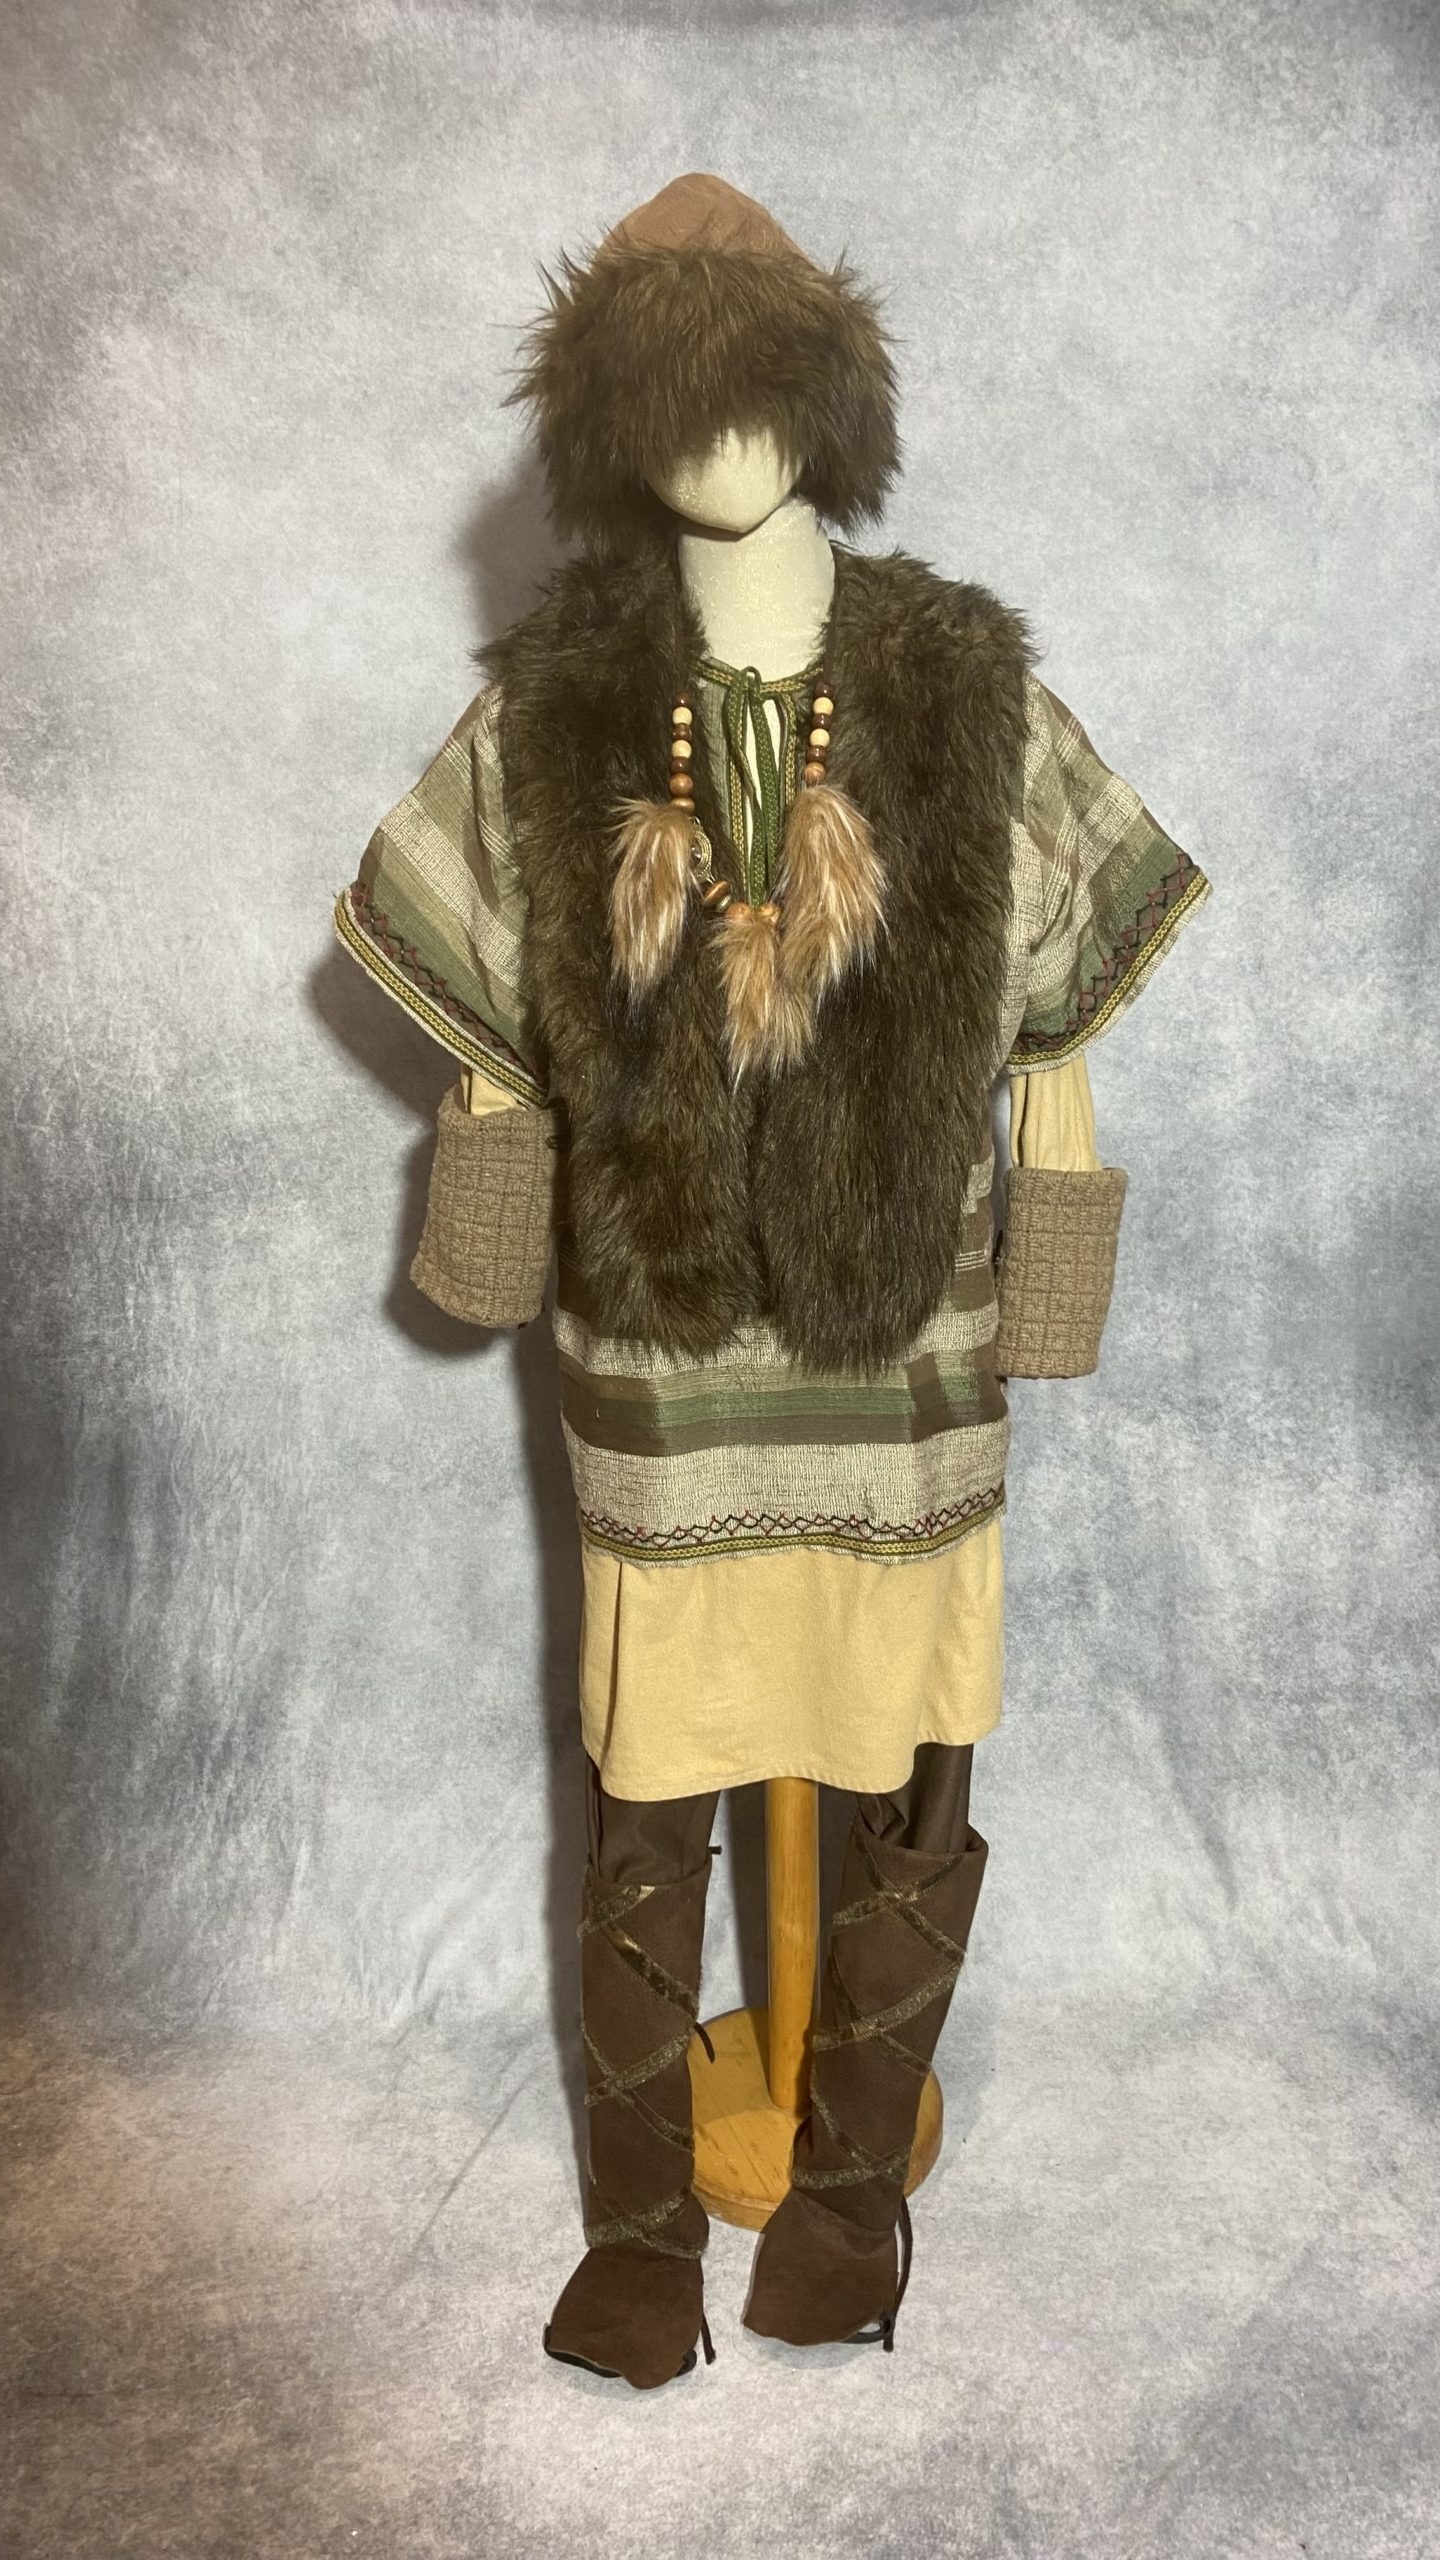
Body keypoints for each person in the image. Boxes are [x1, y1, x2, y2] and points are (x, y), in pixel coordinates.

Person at [333, 174, 1212, 2390]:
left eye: (754, 387)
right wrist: (490, 1203)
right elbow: (480, 1024)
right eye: (669, 396)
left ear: (830, 402)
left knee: (910, 1746)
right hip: (659, 1367)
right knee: (653, 1762)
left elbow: (1063, 1022)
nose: (716, 437)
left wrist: (1056, 1251)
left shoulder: (965, 687)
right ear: (611, 428)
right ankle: (643, 2231)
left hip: (904, 1355)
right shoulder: (556, 703)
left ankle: (844, 2195)